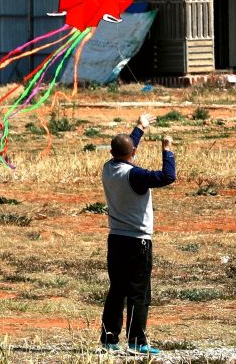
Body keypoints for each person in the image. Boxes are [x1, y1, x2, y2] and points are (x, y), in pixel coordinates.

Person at [99, 113, 176, 355]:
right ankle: (137, 342)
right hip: (138, 242)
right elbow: (168, 176)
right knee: (139, 292)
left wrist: (140, 128)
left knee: (117, 290)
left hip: (116, 239)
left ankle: (109, 338)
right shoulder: (135, 175)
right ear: (133, 153)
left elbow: (126, 148)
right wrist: (167, 150)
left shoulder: (108, 168)